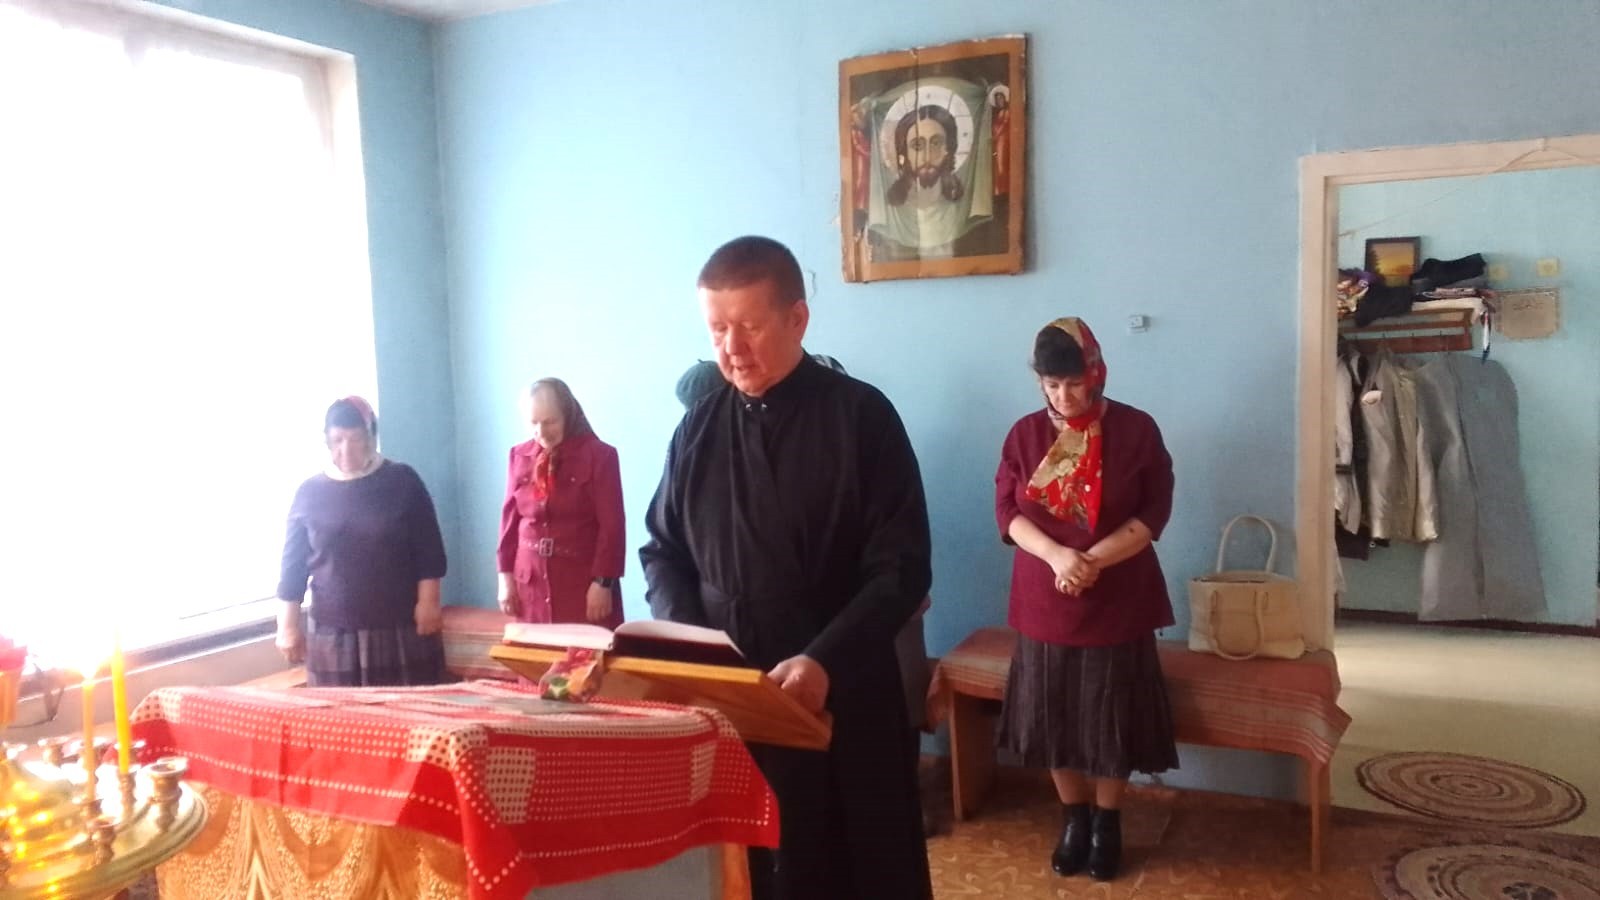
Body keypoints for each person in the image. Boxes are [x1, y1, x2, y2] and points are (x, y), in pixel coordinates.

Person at [642, 236, 933, 900]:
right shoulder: (698, 428)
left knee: (851, 874)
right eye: (717, 329)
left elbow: (901, 568)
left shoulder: (861, 417)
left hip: (842, 697)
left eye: (748, 326)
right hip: (736, 703)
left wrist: (824, 661)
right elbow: (663, 550)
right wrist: (697, 653)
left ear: (797, 319)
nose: (732, 349)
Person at [993, 319, 1179, 882]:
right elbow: (1007, 510)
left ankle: (1108, 821)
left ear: (1096, 374)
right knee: (1051, 715)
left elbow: (1154, 510)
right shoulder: (1024, 434)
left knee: (1110, 716)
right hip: (1045, 596)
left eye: (1073, 383)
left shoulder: (1137, 429)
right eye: (1051, 384)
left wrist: (1091, 562)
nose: (1063, 396)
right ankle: (1073, 818)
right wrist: (1058, 557)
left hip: (1118, 594)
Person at [277, 396, 449, 686]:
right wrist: (287, 626)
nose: (346, 450)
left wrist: (429, 603)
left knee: (406, 710)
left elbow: (429, 552)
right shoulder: (309, 493)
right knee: (341, 714)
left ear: (371, 437)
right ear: (326, 441)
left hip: (400, 628)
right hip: (333, 635)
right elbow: (292, 568)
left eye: (355, 439)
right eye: (337, 440)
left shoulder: (402, 481)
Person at [497, 378, 625, 627]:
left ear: (568, 415)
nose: (541, 432)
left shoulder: (600, 456)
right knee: (535, 651)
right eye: (533, 423)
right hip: (530, 584)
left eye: (550, 422)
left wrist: (603, 582)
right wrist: (505, 576)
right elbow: (508, 522)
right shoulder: (519, 456)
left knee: (586, 650)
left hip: (582, 585)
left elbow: (612, 526)